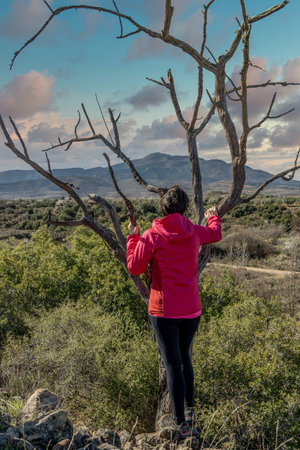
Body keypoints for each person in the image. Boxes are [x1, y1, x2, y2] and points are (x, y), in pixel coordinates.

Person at [126, 185, 222, 437]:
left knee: (172, 364)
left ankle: (180, 424)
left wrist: (132, 237)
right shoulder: (193, 232)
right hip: (191, 309)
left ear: (163, 207)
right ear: (185, 208)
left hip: (163, 310)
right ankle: (189, 413)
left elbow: (135, 267)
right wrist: (213, 215)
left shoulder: (152, 234)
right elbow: (214, 233)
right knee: (185, 359)